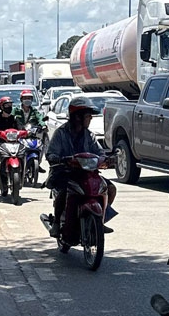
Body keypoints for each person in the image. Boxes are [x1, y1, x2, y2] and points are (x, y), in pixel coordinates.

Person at [45, 96, 117, 237]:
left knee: (110, 189)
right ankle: (56, 222)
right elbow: (51, 154)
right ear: (77, 116)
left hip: (87, 173)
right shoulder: (61, 133)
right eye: (87, 116)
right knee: (63, 192)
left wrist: (107, 159)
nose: (90, 119)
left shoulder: (89, 135)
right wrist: (60, 159)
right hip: (65, 172)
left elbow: (99, 152)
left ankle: (100, 220)